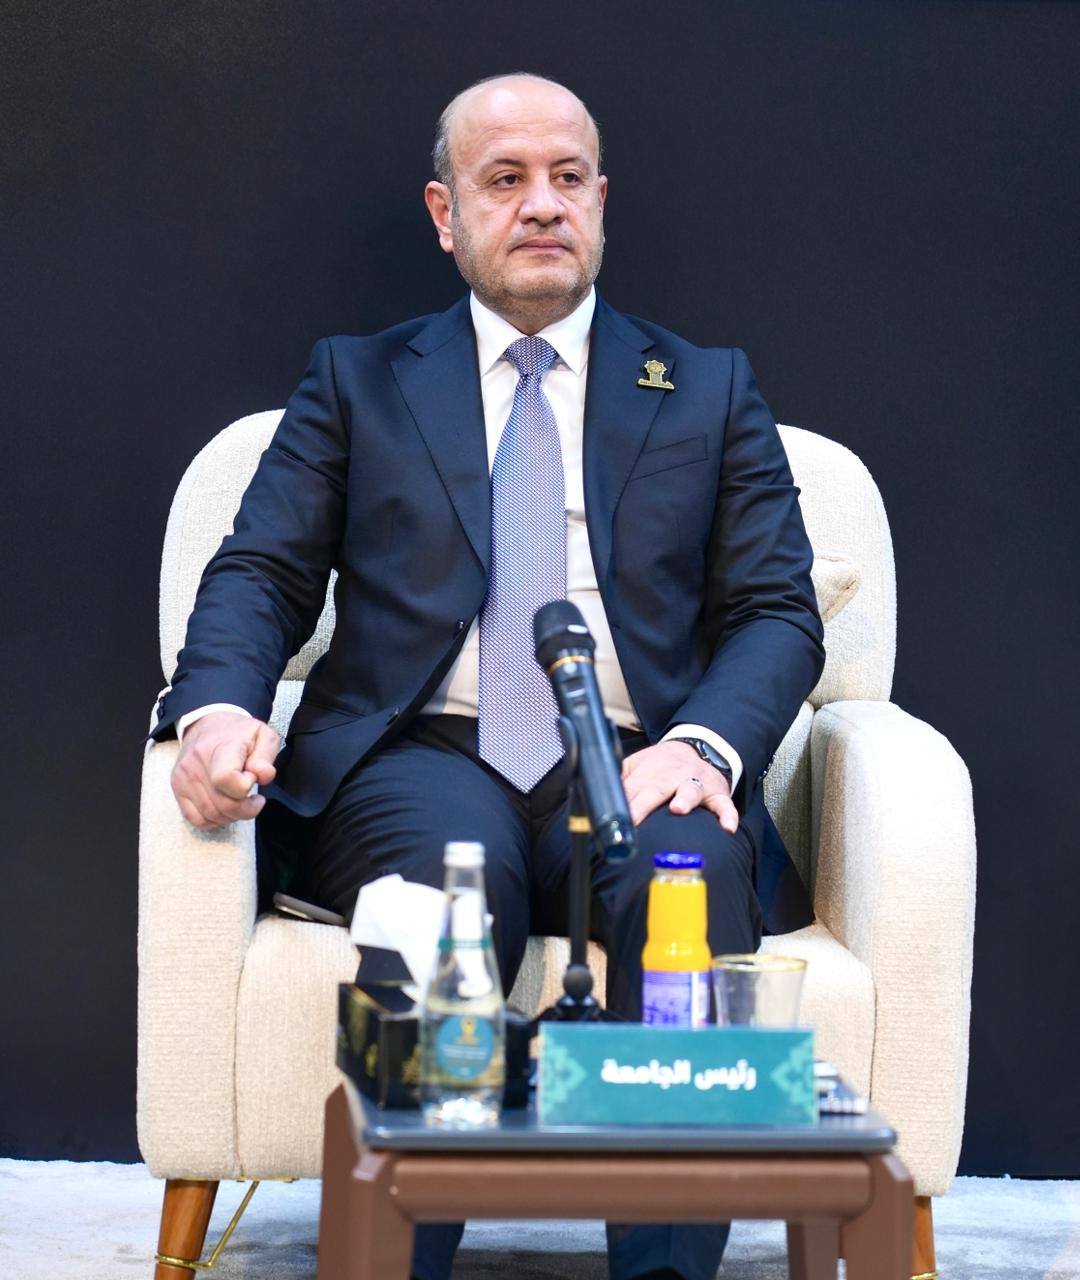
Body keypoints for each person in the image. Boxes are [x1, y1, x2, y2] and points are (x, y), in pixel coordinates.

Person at [152, 73, 824, 1280]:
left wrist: (704, 744)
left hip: (635, 754)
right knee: (444, 884)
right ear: (444, 212)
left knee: (680, 876)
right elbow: (261, 570)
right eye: (503, 179)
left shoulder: (707, 386)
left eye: (566, 177)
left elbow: (775, 608)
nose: (541, 204)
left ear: (601, 199)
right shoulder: (358, 380)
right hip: (423, 752)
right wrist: (214, 712)